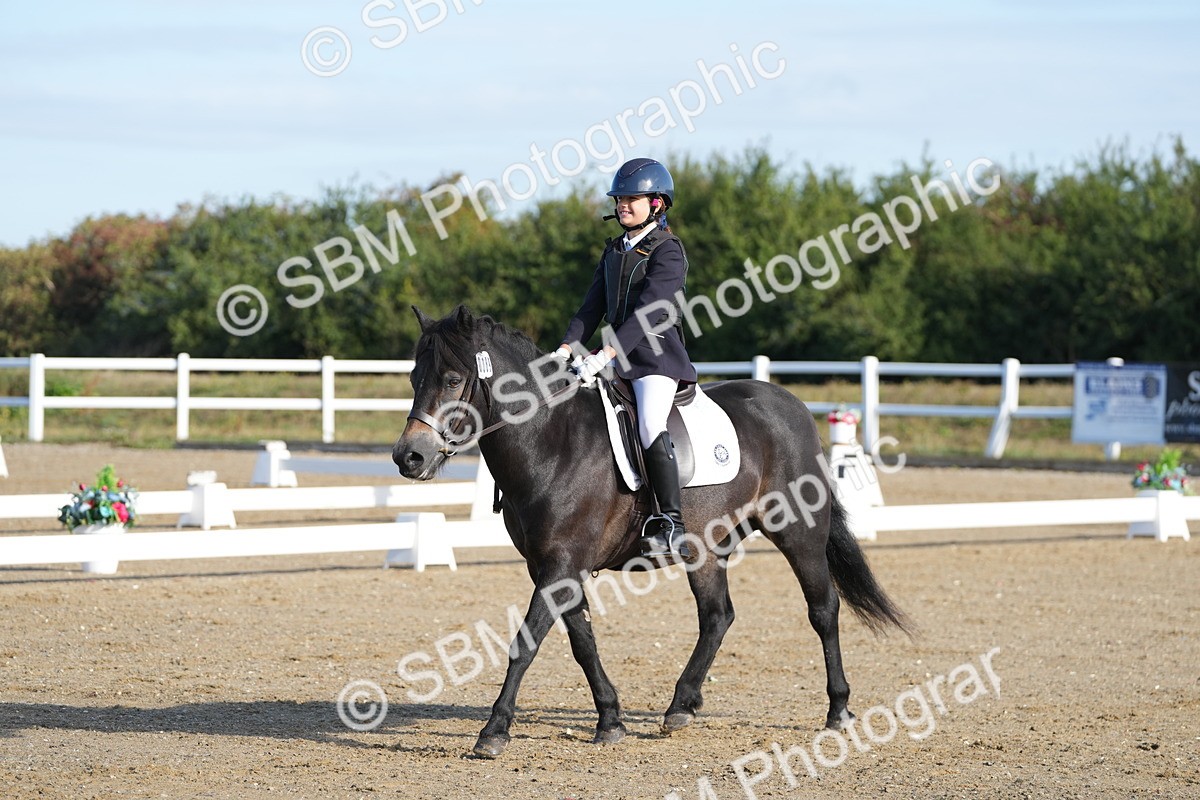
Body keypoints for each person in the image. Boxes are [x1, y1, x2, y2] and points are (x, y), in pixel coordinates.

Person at [555, 157, 699, 563]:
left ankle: (671, 521)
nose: (622, 205)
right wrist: (565, 349)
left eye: (631, 199)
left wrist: (606, 353)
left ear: (656, 203)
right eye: (619, 199)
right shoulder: (615, 250)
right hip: (614, 359)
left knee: (652, 422)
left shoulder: (668, 251)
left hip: (656, 361)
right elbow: (591, 307)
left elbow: (651, 311)